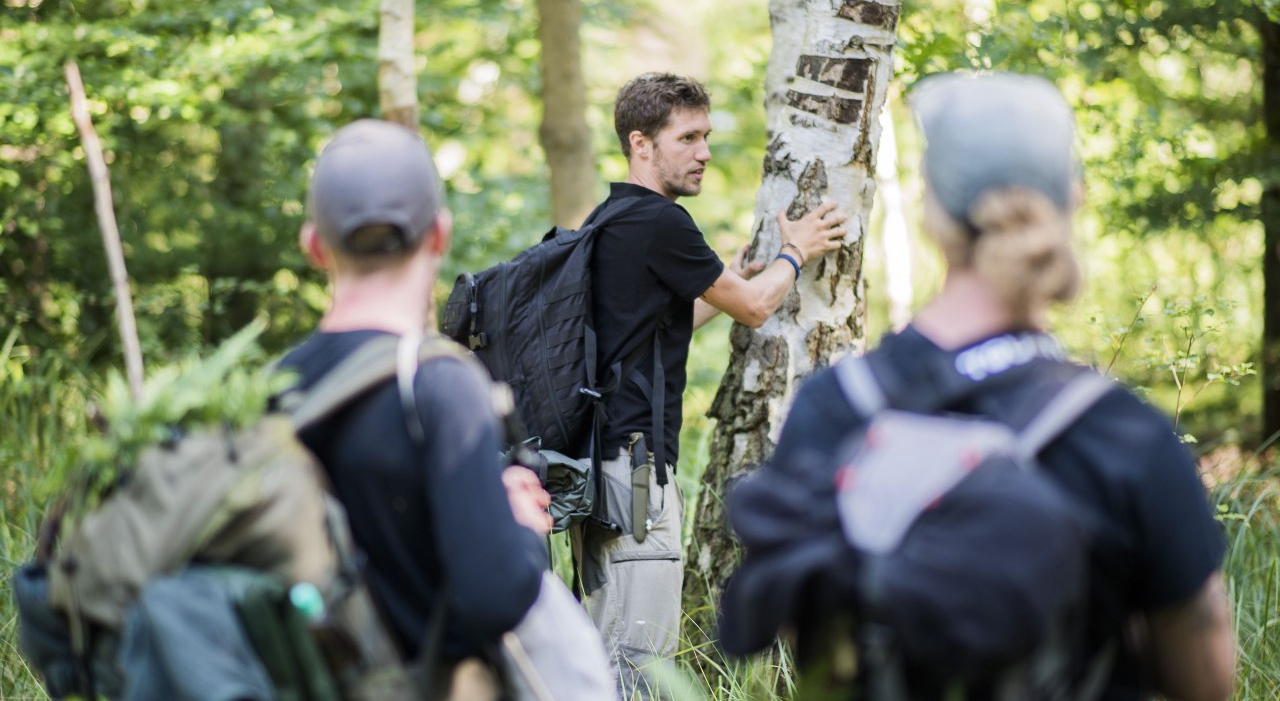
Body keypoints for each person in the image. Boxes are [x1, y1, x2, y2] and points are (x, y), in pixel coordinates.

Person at [719, 73, 1236, 699]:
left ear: (933, 217)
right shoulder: (1123, 433)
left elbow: (810, 638)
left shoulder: (836, 407)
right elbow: (1204, 677)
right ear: (1071, 202)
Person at [573, 72, 849, 698]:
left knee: (609, 651)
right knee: (639, 664)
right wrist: (797, 251)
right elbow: (756, 307)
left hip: (602, 472)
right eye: (688, 137)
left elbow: (647, 332)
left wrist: (727, 283)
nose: (704, 152)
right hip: (636, 476)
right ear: (641, 143)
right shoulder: (661, 222)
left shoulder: (609, 218)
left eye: (707, 136)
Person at [278, 119, 554, 690]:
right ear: (439, 235)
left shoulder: (272, 388)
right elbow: (494, 599)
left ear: (313, 246)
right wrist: (524, 529)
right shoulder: (439, 387)